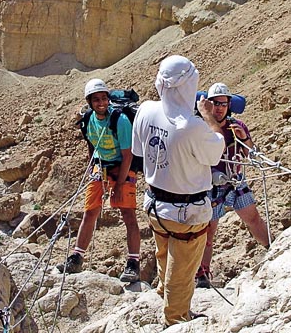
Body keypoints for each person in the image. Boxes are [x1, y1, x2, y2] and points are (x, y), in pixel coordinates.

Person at [131, 55, 225, 326]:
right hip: (188, 212)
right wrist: (208, 117)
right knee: (183, 271)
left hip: (155, 205)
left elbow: (139, 152)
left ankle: (165, 293)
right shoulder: (194, 127)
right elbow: (216, 151)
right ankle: (176, 318)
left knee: (164, 253)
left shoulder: (146, 110)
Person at [56, 78, 141, 282]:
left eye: (104, 98)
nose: (101, 102)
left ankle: (133, 264)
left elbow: (128, 154)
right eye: (96, 99)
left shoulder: (119, 120)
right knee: (90, 212)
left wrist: (119, 185)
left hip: (123, 167)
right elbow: (91, 145)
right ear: (89, 102)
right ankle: (77, 257)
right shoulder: (87, 120)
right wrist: (92, 168)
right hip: (101, 166)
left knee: (128, 214)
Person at [195, 82, 270, 288]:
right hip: (211, 186)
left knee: (253, 218)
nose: (219, 107)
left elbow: (250, 154)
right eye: (215, 103)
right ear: (208, 105)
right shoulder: (201, 127)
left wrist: (244, 138)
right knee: (209, 231)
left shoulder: (237, 127)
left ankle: (271, 249)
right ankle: (202, 273)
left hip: (235, 181)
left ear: (229, 105)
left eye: (223, 103)